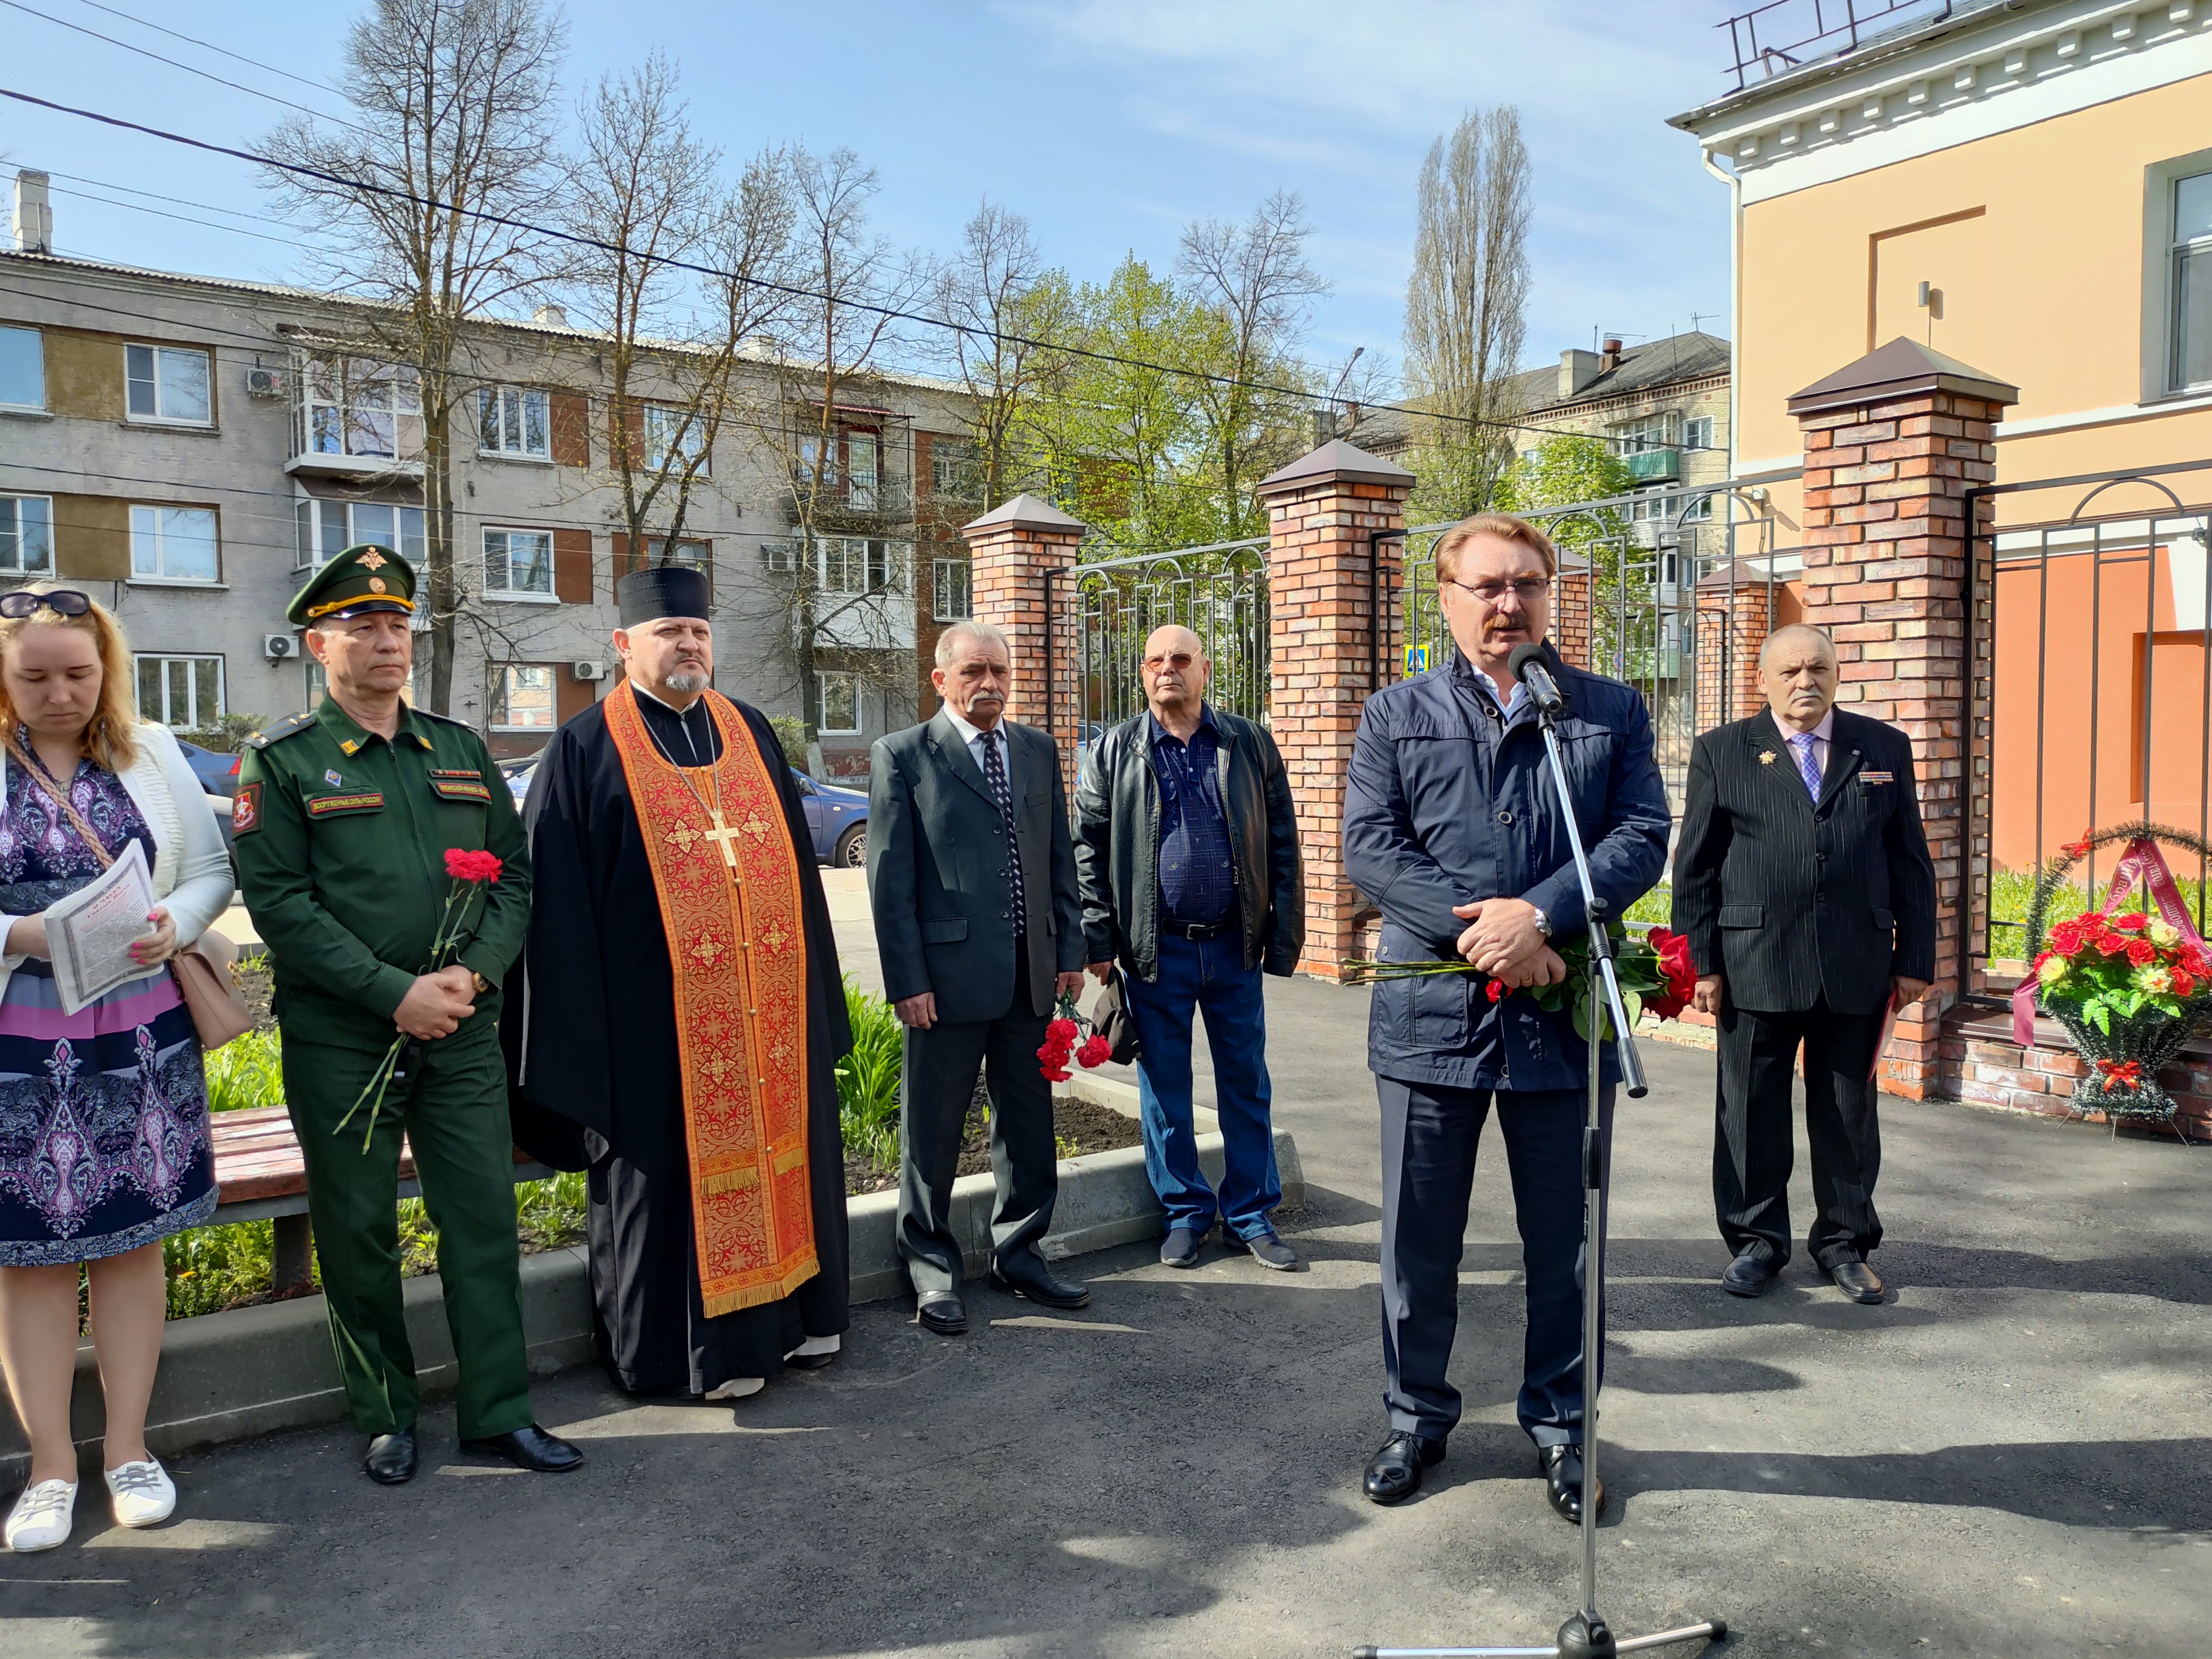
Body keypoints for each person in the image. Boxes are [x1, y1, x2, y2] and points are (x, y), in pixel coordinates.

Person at [1343, 513, 1670, 1520]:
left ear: (1549, 593)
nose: (1508, 603)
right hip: (1432, 1017)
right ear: (1445, 597)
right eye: (1486, 586)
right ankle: (1415, 1417)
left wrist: (1542, 917)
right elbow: (1372, 845)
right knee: (1418, 1238)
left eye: (1527, 584)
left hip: (1560, 1022)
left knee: (1568, 1242)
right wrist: (1479, 932)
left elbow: (1642, 833)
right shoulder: (1395, 714)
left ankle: (1566, 1430)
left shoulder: (1603, 709)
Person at [234, 545, 579, 1487]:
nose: (387, 643)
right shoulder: (281, 763)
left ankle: (499, 1413)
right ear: (319, 644)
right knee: (357, 1231)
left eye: (398, 626)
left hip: (461, 1032)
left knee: (482, 1221)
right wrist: (396, 993)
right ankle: (386, 1415)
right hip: (345, 1041)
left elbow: (513, 876)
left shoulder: (460, 749)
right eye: (363, 627)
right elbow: (281, 908)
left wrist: (469, 978)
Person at [504, 565, 852, 1404]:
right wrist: (580, 1042)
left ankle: (798, 1323)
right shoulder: (586, 748)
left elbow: (801, 880)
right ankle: (682, 1356)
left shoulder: (751, 729)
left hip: (768, 1015)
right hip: (654, 1032)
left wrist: (816, 1004)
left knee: (787, 1161)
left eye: (697, 631)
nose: (687, 644)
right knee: (670, 1188)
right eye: (668, 633)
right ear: (624, 645)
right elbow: (553, 907)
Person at [0, 587, 231, 1551]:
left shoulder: (152, 753)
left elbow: (211, 870)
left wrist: (171, 924)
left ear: (109, 669)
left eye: (79, 674)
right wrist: (17, 931)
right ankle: (51, 1466)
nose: (61, 694)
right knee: (29, 1259)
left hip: (142, 1032)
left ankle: (128, 1450)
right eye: (35, 677)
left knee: (134, 1244)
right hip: (20, 1033)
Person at [1670, 622, 1935, 1306]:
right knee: (1751, 1110)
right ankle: (1757, 1244)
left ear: (1837, 673)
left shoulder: (1882, 749)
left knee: (1848, 1112)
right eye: (1788, 671)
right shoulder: (1724, 751)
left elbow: (1911, 859)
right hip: (1754, 959)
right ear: (1763, 679)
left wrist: (1916, 959)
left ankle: (1844, 1244)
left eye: (1817, 668)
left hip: (1857, 960)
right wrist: (1702, 963)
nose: (1804, 682)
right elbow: (1695, 867)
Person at [869, 621, 1088, 1335]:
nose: (988, 684)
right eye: (973, 673)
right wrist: (908, 979)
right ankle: (932, 1272)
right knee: (932, 1134)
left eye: (998, 670)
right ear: (942, 680)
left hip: (1029, 976)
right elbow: (889, 879)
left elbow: (1058, 857)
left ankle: (1020, 1255)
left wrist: (1069, 951)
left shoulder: (1035, 750)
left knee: (1027, 1129)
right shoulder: (904, 756)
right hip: (945, 980)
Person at [1074, 624, 1303, 1270]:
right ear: (1142, 674)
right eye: (1155, 661)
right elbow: (1085, 848)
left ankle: (1252, 1214)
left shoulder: (1246, 743)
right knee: (1165, 1090)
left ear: (1205, 670)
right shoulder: (1115, 750)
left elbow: (1282, 841)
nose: (1167, 669)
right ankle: (1183, 1214)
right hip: (1156, 953)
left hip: (1234, 948)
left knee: (1246, 1084)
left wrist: (1281, 939)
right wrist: (1099, 939)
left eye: (1181, 659)